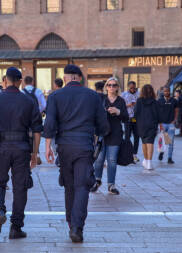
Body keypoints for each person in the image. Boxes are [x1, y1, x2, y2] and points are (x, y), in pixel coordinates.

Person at [44, 64, 109, 243]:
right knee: (82, 186)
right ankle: (76, 226)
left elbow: (49, 123)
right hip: (84, 145)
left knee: (69, 186)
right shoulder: (92, 96)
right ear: (80, 78)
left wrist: (48, 146)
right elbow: (103, 125)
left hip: (64, 146)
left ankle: (70, 222)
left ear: (65, 78)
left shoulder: (55, 95)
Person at [0, 67, 42, 239]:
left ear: (5, 80)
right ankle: (16, 227)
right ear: (20, 81)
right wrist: (35, 153)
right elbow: (37, 130)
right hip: (22, 148)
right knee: (20, 187)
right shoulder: (29, 101)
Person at [91, 78, 128, 195]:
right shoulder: (101, 99)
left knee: (112, 160)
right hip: (102, 133)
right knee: (99, 159)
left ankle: (111, 185)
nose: (112, 87)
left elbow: (126, 118)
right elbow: (94, 115)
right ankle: (97, 181)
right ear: (106, 87)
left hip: (115, 134)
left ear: (117, 87)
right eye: (109, 85)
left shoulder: (121, 101)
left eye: (114, 85)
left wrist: (118, 112)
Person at [135, 84, 159, 170]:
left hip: (141, 124)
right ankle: (149, 162)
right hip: (152, 124)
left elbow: (136, 113)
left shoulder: (139, 101)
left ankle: (145, 160)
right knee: (150, 143)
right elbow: (157, 114)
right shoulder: (155, 102)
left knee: (144, 142)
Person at [157, 87, 178, 164]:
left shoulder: (174, 100)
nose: (166, 92)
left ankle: (169, 158)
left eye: (167, 91)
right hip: (163, 124)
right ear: (163, 92)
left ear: (170, 91)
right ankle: (161, 153)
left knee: (171, 142)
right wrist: (159, 123)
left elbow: (176, 111)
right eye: (165, 91)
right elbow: (157, 112)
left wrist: (174, 120)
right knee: (162, 140)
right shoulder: (159, 101)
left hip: (171, 124)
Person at [121, 81, 140, 162]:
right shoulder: (124, 94)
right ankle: (128, 154)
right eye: (131, 88)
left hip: (136, 118)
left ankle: (134, 154)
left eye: (134, 87)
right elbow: (120, 106)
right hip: (128, 118)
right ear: (128, 87)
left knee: (137, 136)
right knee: (127, 137)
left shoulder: (139, 94)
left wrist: (137, 104)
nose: (132, 89)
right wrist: (129, 105)